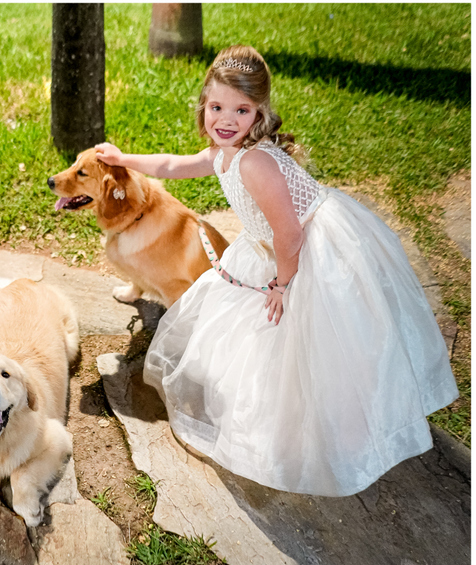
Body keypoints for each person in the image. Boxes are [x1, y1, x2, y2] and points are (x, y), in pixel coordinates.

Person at [95, 45, 458, 496]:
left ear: (260, 112)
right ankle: (280, 406)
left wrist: (283, 285)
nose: (225, 119)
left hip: (307, 251)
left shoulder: (255, 163)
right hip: (273, 244)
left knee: (320, 337)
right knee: (261, 336)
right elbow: (175, 165)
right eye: (216, 107)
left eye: (240, 110)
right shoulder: (224, 150)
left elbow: (290, 236)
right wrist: (125, 159)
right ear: (204, 105)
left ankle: (343, 425)